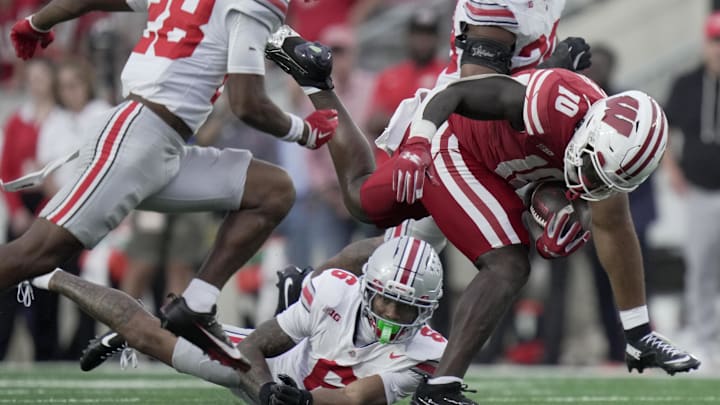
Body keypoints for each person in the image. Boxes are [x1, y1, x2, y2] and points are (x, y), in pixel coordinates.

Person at [267, 29, 700, 405]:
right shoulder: (554, 103)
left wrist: (636, 329)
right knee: (505, 262)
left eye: (601, 181)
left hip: (497, 173)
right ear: (590, 134)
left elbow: (601, 217)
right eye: (588, 171)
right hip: (456, 146)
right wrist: (419, 144)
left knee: (387, 236)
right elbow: (452, 95)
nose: (588, 183)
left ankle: (308, 284)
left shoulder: (607, 157)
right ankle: (441, 388)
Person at [5, 0, 339, 369]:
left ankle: (195, 304)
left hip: (164, 144)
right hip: (137, 136)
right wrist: (305, 131)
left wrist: (37, 21)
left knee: (273, 190)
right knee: (35, 253)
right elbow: (247, 103)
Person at [31, 236, 446, 404]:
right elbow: (253, 349)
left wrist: (298, 401)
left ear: (426, 308)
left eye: (404, 308)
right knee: (144, 333)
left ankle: (193, 321)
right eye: (386, 300)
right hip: (272, 370)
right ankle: (49, 273)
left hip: (303, 398)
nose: (390, 315)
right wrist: (266, 390)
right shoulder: (337, 290)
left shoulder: (426, 351)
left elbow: (354, 398)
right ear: (368, 287)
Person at [662, 11, 720, 366]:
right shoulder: (687, 83)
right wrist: (672, 170)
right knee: (700, 266)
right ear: (705, 43)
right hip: (699, 191)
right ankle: (703, 337)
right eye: (714, 41)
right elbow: (665, 129)